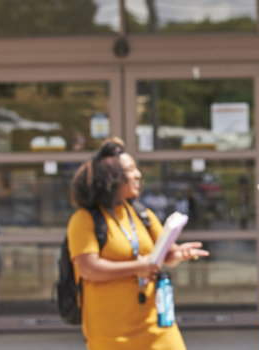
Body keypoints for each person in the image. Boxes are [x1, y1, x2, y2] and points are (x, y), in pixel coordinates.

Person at [66, 138, 209, 349]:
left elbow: (165, 254)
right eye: (130, 169)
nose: (138, 175)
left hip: (157, 325)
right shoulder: (84, 219)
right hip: (111, 331)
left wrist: (177, 254)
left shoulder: (142, 214)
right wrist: (138, 268)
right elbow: (89, 269)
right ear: (111, 177)